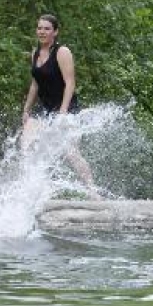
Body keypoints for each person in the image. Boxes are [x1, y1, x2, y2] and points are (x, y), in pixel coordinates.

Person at [20, 13, 95, 186]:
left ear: (55, 32)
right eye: (39, 28)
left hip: (66, 109)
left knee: (71, 153)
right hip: (44, 109)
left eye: (47, 29)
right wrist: (26, 110)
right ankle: (32, 188)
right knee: (27, 145)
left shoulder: (62, 52)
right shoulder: (35, 53)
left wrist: (63, 112)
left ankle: (93, 191)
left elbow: (70, 83)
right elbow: (35, 84)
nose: (42, 32)